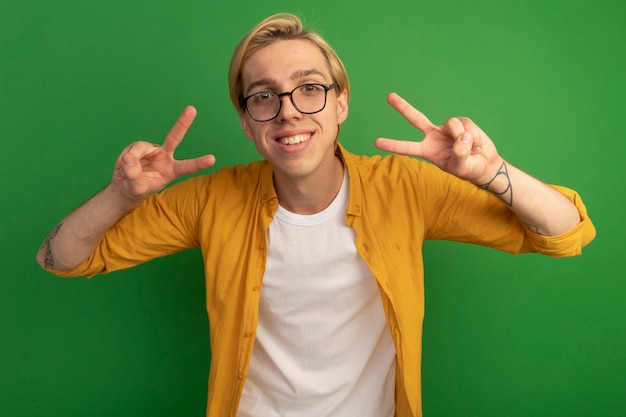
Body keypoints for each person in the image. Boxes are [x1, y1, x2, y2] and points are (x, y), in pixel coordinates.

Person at [36, 12, 595, 417]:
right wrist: (122, 196)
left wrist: (489, 173)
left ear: (341, 101)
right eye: (263, 97)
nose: (287, 112)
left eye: (309, 89)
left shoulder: (404, 188)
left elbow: (567, 231)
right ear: (247, 120)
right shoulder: (210, 200)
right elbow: (59, 258)